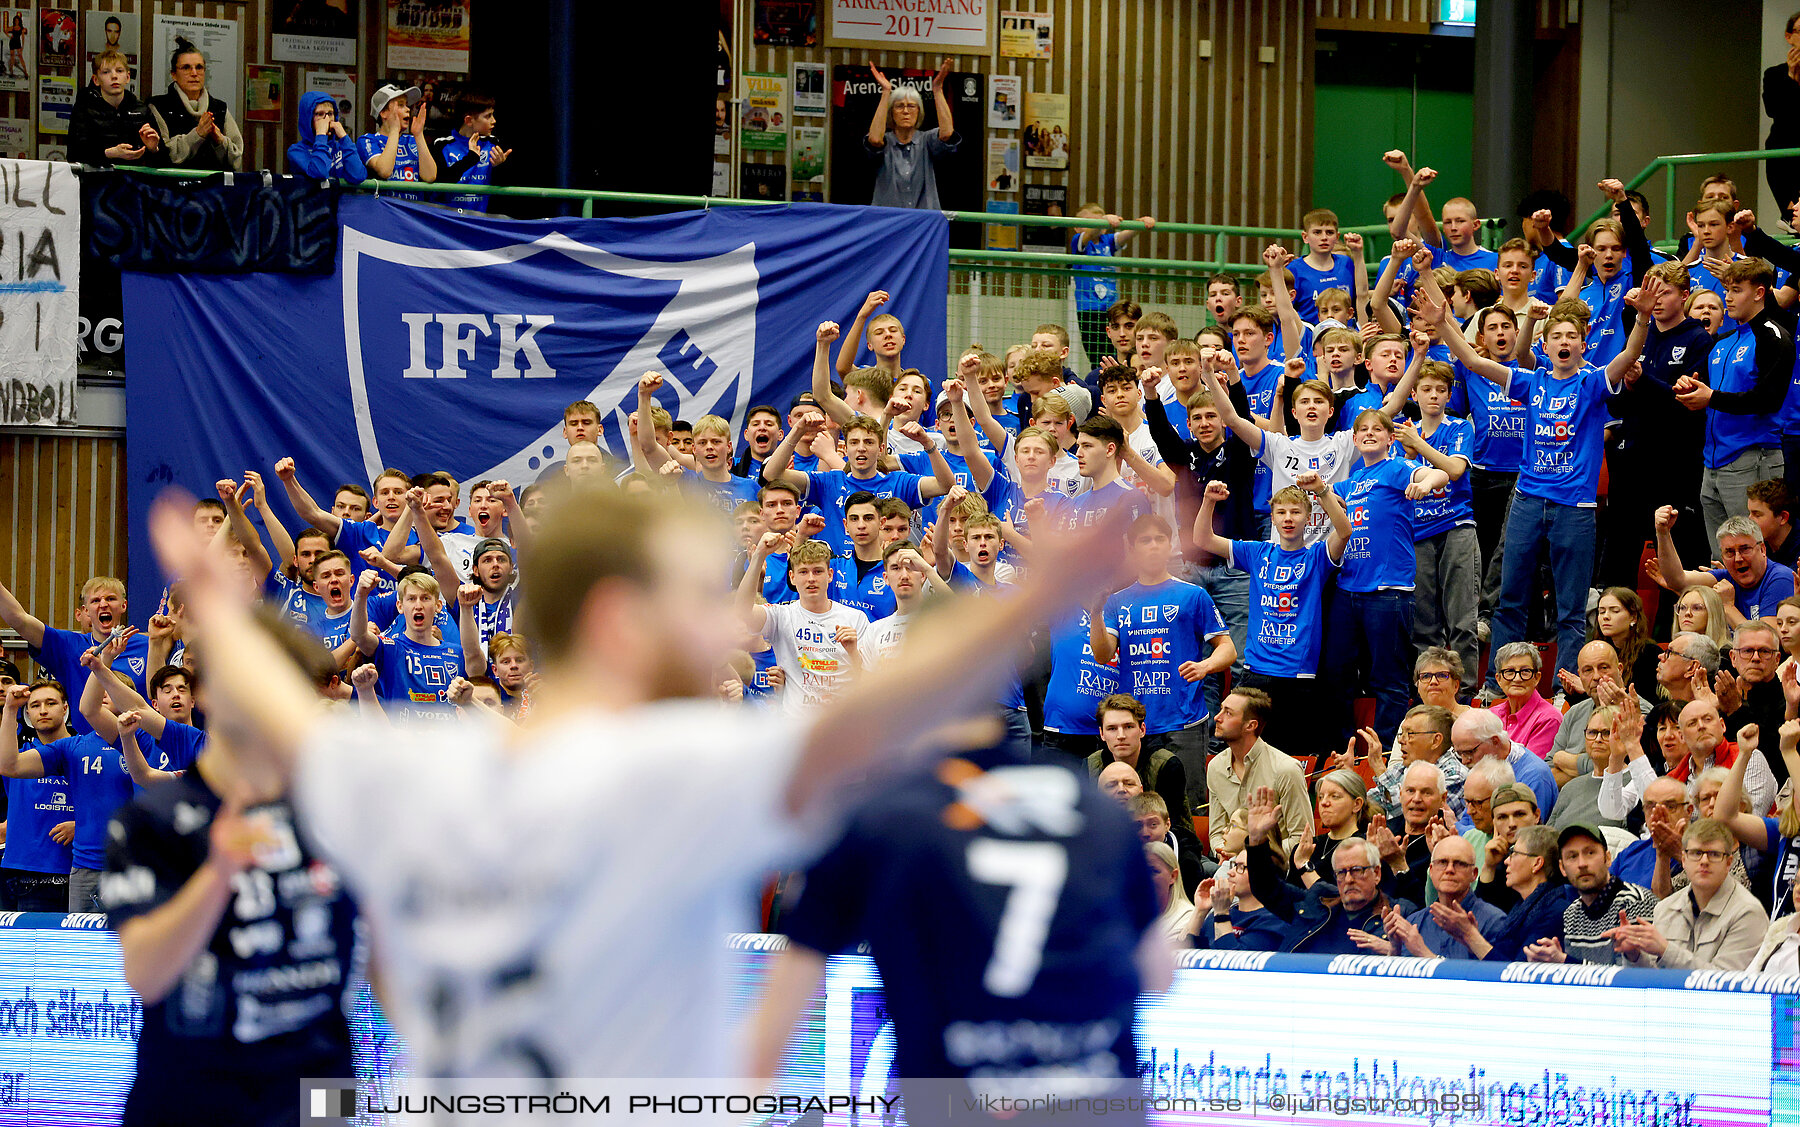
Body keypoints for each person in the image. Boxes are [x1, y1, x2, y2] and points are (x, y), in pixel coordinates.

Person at [748, 735, 1166, 1118]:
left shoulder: (886, 816)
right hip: (1097, 1097)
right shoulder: (1096, 807)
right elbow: (1158, 976)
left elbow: (768, 1042)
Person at [100, 612, 360, 1127]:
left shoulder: (337, 809)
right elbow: (145, 975)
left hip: (320, 1092)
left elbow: (385, 973)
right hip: (193, 1099)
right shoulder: (151, 819)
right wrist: (218, 874)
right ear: (210, 693)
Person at [1090, 514, 1235, 797]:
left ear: (1170, 546)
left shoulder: (1193, 595)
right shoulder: (1117, 601)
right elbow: (1102, 654)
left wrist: (1205, 666)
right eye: (1145, 540)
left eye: (1160, 539)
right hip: (1134, 726)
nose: (1153, 546)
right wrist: (1096, 612)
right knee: (1135, 806)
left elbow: (1228, 649)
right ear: (1132, 549)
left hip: (1184, 721)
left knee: (1187, 808)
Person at [1609, 818, 1769, 971]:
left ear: (1729, 863)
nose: (1704, 861)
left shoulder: (1748, 913)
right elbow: (1652, 979)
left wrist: (1666, 951)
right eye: (1696, 853)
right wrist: (1634, 956)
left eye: (1714, 854)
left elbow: (1724, 984)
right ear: (1684, 859)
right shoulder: (1665, 908)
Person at [1524, 823, 1657, 965]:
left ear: (1608, 858)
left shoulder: (1636, 902)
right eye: (1572, 856)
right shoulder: (1571, 913)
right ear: (1562, 868)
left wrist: (1565, 961)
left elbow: (1632, 978)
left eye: (1590, 853)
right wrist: (1556, 964)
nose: (1582, 864)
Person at [1204, 688, 1312, 855]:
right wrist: (1225, 853)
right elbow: (1216, 833)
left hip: (1277, 869)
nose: (1217, 718)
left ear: (1251, 725)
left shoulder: (1286, 769)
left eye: (1228, 713)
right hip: (1230, 866)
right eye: (1220, 709)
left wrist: (1253, 856)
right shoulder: (1215, 767)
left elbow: (1301, 838)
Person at [1655, 510, 1797, 631]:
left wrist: (1727, 606)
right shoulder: (1725, 577)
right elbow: (1678, 580)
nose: (1738, 558)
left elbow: (1765, 642)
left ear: (1762, 549)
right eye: (1729, 552)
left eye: (1745, 549)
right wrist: (1663, 533)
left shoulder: (1780, 578)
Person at [0, 681, 74, 912]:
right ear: (28, 713)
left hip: (76, 869)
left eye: (51, 703)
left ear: (65, 708)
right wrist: (10, 708)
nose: (43, 710)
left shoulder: (85, 752)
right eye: (35, 705)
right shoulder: (15, 758)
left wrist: (82, 825)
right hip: (24, 871)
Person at [865, 59, 958, 210]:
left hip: (922, 222)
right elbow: (875, 139)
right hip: (889, 221)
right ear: (891, 113)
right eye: (899, 106)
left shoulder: (926, 140)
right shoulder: (886, 140)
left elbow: (947, 133)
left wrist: (937, 89)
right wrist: (886, 92)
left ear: (919, 111)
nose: (906, 111)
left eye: (911, 106)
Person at [146, 38, 242, 171]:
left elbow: (236, 160)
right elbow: (163, 155)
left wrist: (220, 140)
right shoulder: (157, 106)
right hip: (172, 187)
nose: (194, 73)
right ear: (173, 74)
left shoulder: (220, 108)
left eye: (199, 67)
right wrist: (197, 135)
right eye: (186, 68)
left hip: (213, 188)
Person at [69, 49, 161, 167]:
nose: (114, 76)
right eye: (106, 72)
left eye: (119, 71)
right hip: (97, 180)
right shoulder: (84, 110)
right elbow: (74, 154)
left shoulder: (142, 109)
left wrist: (153, 148)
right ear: (96, 80)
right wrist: (109, 153)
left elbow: (163, 159)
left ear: (127, 77)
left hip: (136, 180)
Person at [433, 90, 511, 211]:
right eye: (488, 116)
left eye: (493, 115)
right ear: (469, 121)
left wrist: (499, 166)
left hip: (481, 220)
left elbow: (505, 188)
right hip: (449, 219)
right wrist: (470, 159)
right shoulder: (442, 145)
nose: (494, 121)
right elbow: (440, 184)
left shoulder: (493, 143)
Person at [357, 83, 437, 192]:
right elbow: (385, 171)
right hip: (384, 207)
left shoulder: (412, 140)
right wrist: (394, 129)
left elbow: (430, 176)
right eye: (400, 105)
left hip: (412, 206)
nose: (407, 109)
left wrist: (419, 135)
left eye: (407, 105)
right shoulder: (368, 140)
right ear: (383, 113)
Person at [1489, 641, 1560, 759]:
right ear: (1499, 679)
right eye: (1510, 671)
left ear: (1537, 678)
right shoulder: (1491, 715)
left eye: (1525, 671)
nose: (1517, 678)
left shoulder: (1549, 719)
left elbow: (1530, 770)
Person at [287, 90, 367, 181]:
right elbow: (319, 173)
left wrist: (344, 138)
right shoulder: (296, 151)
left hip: (341, 195)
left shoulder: (341, 147)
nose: (327, 119)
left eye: (330, 113)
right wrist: (321, 136)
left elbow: (358, 176)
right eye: (320, 114)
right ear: (308, 119)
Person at [1765, 14, 1800, 216]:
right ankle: (1790, 215)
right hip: (1784, 149)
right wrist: (1790, 78)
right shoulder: (1774, 75)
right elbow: (1774, 110)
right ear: (1789, 37)